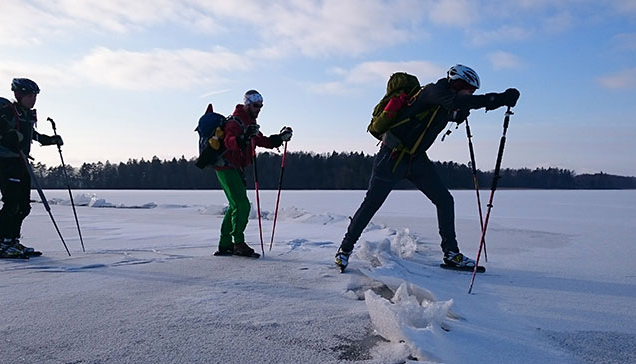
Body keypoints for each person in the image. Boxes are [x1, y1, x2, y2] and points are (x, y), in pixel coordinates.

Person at [335, 65, 520, 272]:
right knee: (371, 204)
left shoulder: (443, 102)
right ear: (459, 83)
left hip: (417, 161)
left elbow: (450, 110)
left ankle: (451, 253)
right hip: (391, 158)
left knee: (444, 199)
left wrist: (457, 116)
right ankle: (344, 249)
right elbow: (458, 101)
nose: (472, 93)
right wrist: (498, 99)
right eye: (470, 89)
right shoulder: (432, 91)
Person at [0, 78, 63, 259]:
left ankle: (14, 241)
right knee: (12, 203)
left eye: (35, 95)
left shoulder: (25, 114)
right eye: (30, 95)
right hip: (6, 162)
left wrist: (49, 140)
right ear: (19, 94)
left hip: (21, 163)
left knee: (24, 206)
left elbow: (30, 134)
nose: (33, 99)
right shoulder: (6, 112)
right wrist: (8, 136)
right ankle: (4, 244)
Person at [214, 90, 293, 258]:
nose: (259, 109)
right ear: (248, 104)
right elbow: (229, 141)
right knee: (242, 205)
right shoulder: (236, 122)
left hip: (234, 169)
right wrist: (242, 138)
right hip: (226, 168)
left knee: (235, 206)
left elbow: (262, 141)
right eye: (256, 105)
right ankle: (238, 243)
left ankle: (225, 243)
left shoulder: (249, 123)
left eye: (261, 106)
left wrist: (280, 138)